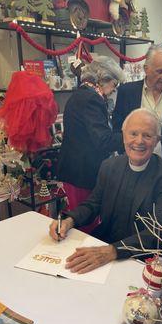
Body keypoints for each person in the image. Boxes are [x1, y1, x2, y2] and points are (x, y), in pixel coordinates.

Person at [50, 108, 162, 287]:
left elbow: (160, 230)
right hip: (107, 242)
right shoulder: (109, 165)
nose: (139, 141)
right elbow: (93, 203)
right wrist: (69, 220)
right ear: (123, 135)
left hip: (149, 257)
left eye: (147, 136)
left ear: (157, 140)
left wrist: (113, 251)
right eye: (133, 133)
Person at [57, 55, 125, 230]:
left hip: (76, 169)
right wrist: (131, 135)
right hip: (82, 172)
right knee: (86, 221)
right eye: (114, 85)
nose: (113, 90)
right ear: (104, 79)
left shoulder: (82, 94)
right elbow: (103, 140)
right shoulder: (91, 99)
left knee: (81, 217)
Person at [112, 43, 162, 172]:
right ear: (146, 69)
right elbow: (118, 126)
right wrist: (123, 153)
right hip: (132, 161)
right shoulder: (127, 91)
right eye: (160, 71)